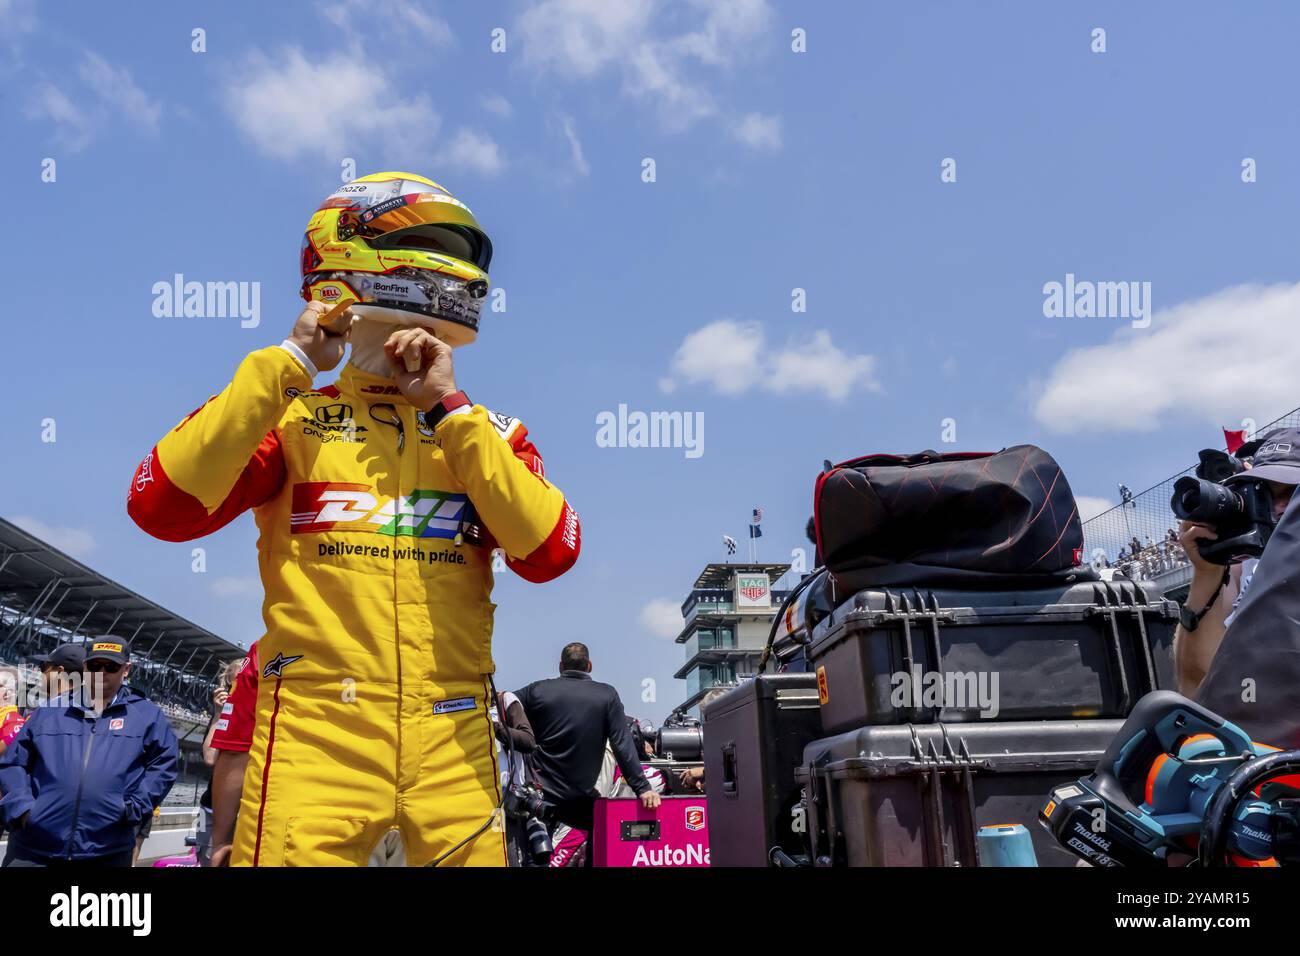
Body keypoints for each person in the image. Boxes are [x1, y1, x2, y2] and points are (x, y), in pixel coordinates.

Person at [127, 172, 581, 866]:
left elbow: (549, 551)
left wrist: (450, 411)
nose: (451, 266)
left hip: (454, 744)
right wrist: (291, 362)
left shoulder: (488, 431)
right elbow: (161, 507)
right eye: (429, 243)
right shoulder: (289, 416)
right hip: (314, 739)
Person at [0, 637, 178, 867]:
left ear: (126, 670)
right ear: (85, 667)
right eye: (95, 666)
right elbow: (14, 763)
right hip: (32, 849)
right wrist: (22, 808)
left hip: (106, 852)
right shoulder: (50, 711)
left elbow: (164, 765)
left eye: (111, 667)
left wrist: (133, 808)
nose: (102, 672)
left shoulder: (147, 716)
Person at [1185, 430, 1300, 746]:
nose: (1278, 509)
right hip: (1257, 764)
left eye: (1290, 493)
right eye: (1267, 494)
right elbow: (1195, 688)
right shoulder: (1242, 562)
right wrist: (1206, 573)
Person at [514, 643, 660, 864]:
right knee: (600, 834)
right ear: (589, 666)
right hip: (580, 796)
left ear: (561, 666)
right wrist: (642, 788)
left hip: (542, 793)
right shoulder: (607, 694)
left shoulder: (537, 690)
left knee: (535, 853)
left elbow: (503, 704)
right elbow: (622, 743)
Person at [207, 643, 260, 867]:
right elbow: (210, 756)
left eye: (236, 681)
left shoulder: (267, 651)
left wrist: (220, 842)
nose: (232, 687)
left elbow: (231, 753)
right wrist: (219, 714)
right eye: (230, 683)